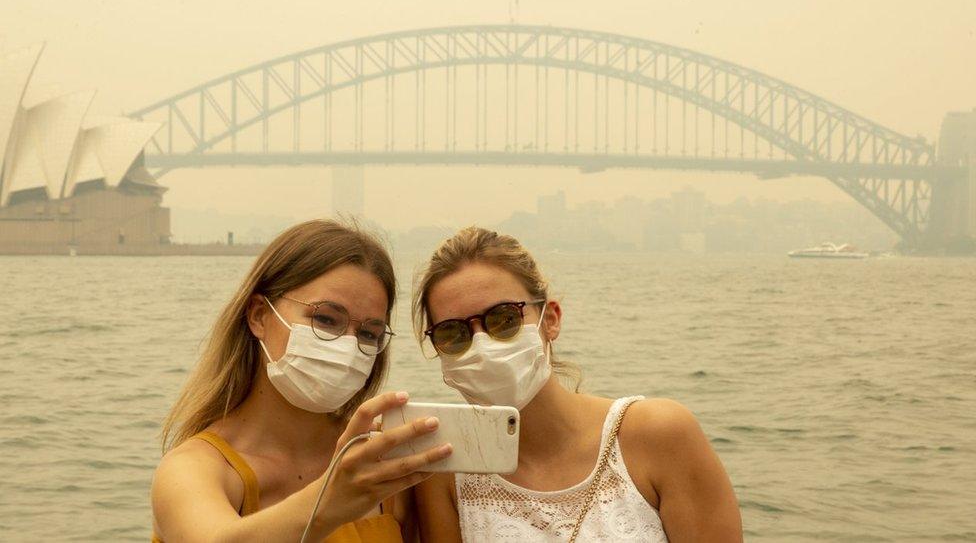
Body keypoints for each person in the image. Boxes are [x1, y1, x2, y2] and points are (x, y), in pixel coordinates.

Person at [412, 227, 742, 542]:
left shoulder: (659, 435)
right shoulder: (444, 472)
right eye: (453, 334)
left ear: (550, 319)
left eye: (504, 319)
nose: (482, 344)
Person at [151, 220, 451, 542]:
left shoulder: (382, 463)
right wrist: (330, 500)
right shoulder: (197, 469)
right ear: (258, 316)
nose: (348, 345)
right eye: (325, 319)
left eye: (368, 333)